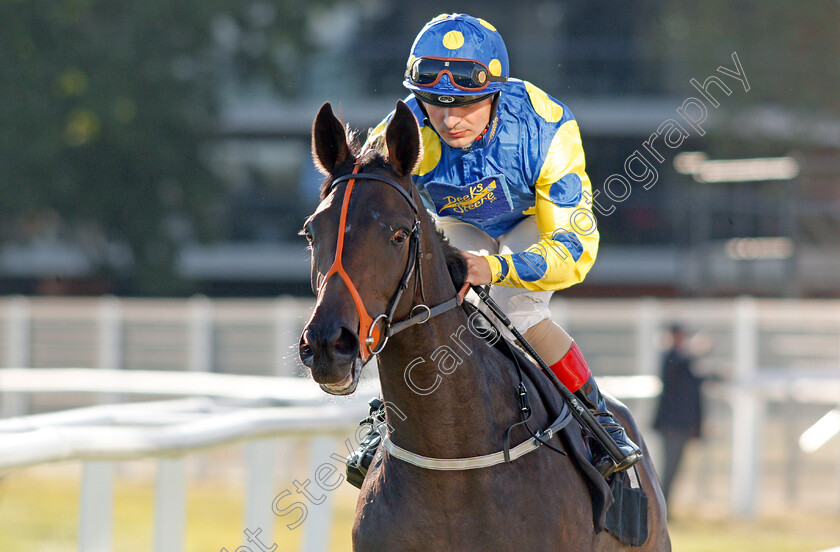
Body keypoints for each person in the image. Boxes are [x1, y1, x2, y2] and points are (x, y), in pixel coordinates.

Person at [352, 12, 641, 481]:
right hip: (459, 222)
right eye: (435, 104)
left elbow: (575, 251)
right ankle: (388, 414)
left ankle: (597, 418)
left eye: (465, 105)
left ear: (495, 91)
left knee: (514, 310)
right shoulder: (401, 129)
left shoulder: (548, 129)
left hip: (534, 223)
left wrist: (496, 268)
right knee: (430, 300)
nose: (448, 120)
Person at [653, 324, 705, 504]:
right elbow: (680, 369)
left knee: (674, 468)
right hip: (672, 425)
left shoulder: (682, 359)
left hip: (681, 425)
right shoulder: (671, 358)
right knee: (669, 468)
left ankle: (663, 506)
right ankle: (659, 506)